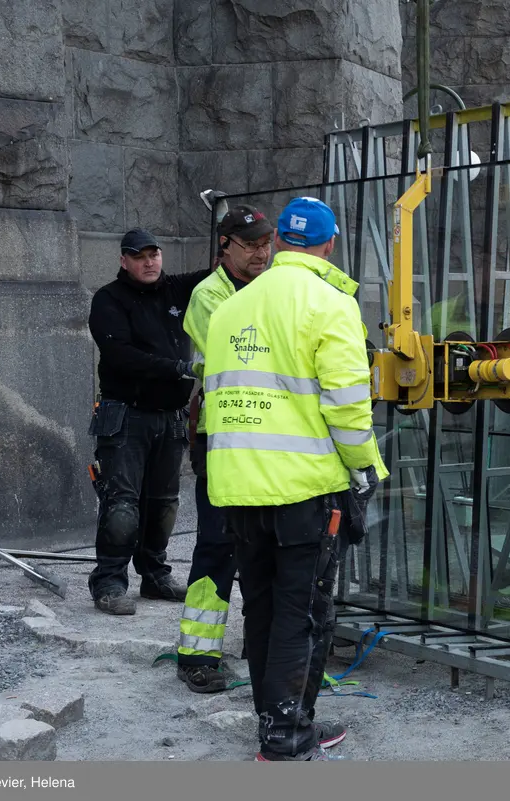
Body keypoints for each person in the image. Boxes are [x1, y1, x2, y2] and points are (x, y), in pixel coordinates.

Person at [203, 197, 389, 761]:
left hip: (237, 486)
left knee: (259, 604)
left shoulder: (231, 308)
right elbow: (349, 407)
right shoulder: (331, 305)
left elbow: (218, 399)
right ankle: (286, 732)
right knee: (302, 609)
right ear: (329, 246)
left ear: (280, 240)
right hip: (304, 490)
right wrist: (363, 468)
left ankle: (272, 718)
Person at [174, 205, 274, 693]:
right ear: (226, 245)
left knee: (266, 544)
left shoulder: (270, 289)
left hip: (267, 437)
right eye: (251, 243)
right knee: (217, 545)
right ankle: (197, 652)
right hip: (222, 439)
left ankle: (263, 643)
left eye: (266, 242)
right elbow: (235, 357)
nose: (261, 251)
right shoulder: (208, 296)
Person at [86, 228, 212, 615]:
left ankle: (155, 577)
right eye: (139, 256)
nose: (149, 262)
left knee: (163, 505)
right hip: (125, 415)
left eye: (154, 254)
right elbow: (121, 354)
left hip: (170, 418)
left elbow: (222, 271)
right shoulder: (109, 299)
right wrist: (178, 368)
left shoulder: (175, 289)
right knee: (122, 505)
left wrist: (228, 230)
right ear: (124, 260)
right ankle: (109, 582)